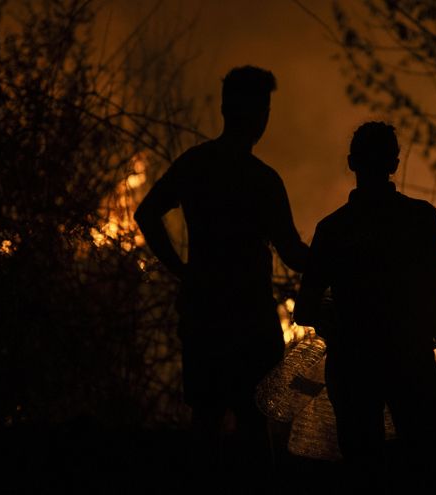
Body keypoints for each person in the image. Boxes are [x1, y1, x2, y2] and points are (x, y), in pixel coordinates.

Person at [134, 66, 308, 483]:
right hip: (250, 319)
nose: (264, 117)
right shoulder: (262, 180)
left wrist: (182, 271)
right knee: (254, 426)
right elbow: (293, 253)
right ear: (251, 113)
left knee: (206, 421)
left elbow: (147, 213)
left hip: (205, 313)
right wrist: (340, 258)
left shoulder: (196, 165)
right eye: (262, 107)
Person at [294, 121, 436, 491]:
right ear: (395, 163)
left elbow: (304, 308)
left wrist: (340, 325)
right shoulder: (422, 218)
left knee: (363, 473)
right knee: (425, 470)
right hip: (413, 365)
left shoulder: (333, 229)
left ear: (352, 162)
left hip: (354, 368)